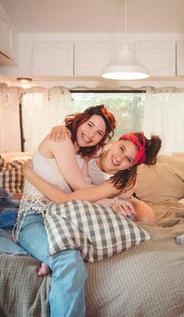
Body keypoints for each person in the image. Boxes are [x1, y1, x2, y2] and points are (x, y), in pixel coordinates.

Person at [13, 104, 117, 317]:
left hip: (60, 221)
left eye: (99, 133)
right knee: (69, 262)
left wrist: (116, 200)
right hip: (33, 221)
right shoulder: (60, 139)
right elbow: (81, 188)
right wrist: (112, 198)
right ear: (80, 120)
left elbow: (85, 192)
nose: (90, 135)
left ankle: (47, 259)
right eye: (89, 125)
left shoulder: (82, 158)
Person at [23, 131, 161, 277]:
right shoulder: (96, 148)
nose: (119, 158)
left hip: (106, 199)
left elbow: (80, 198)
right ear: (115, 142)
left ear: (130, 166)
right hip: (89, 196)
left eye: (128, 159)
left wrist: (115, 200)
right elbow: (77, 137)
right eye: (121, 148)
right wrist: (60, 128)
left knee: (145, 217)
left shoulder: (118, 183)